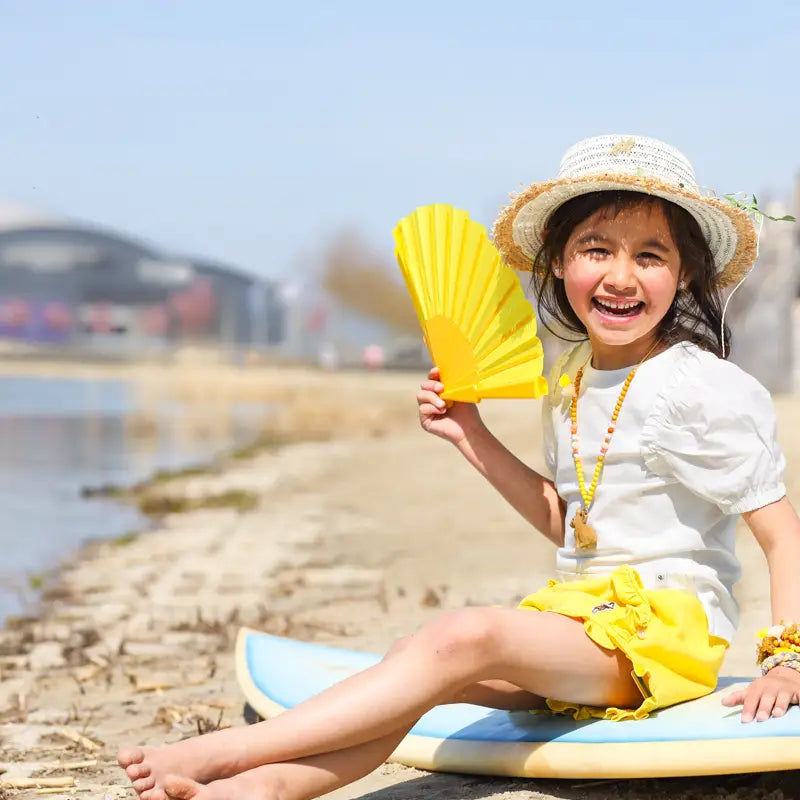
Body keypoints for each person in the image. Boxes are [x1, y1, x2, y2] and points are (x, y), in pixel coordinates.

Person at [119, 134, 800, 800]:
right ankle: (265, 787)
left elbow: (781, 535)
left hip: (663, 634)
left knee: (463, 634)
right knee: (414, 665)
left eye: (650, 256)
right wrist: (469, 434)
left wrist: (786, 660)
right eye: (597, 248)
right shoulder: (570, 378)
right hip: (583, 622)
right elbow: (572, 523)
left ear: (683, 275)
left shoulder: (698, 387)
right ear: (559, 262)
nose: (621, 276)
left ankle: (227, 750)